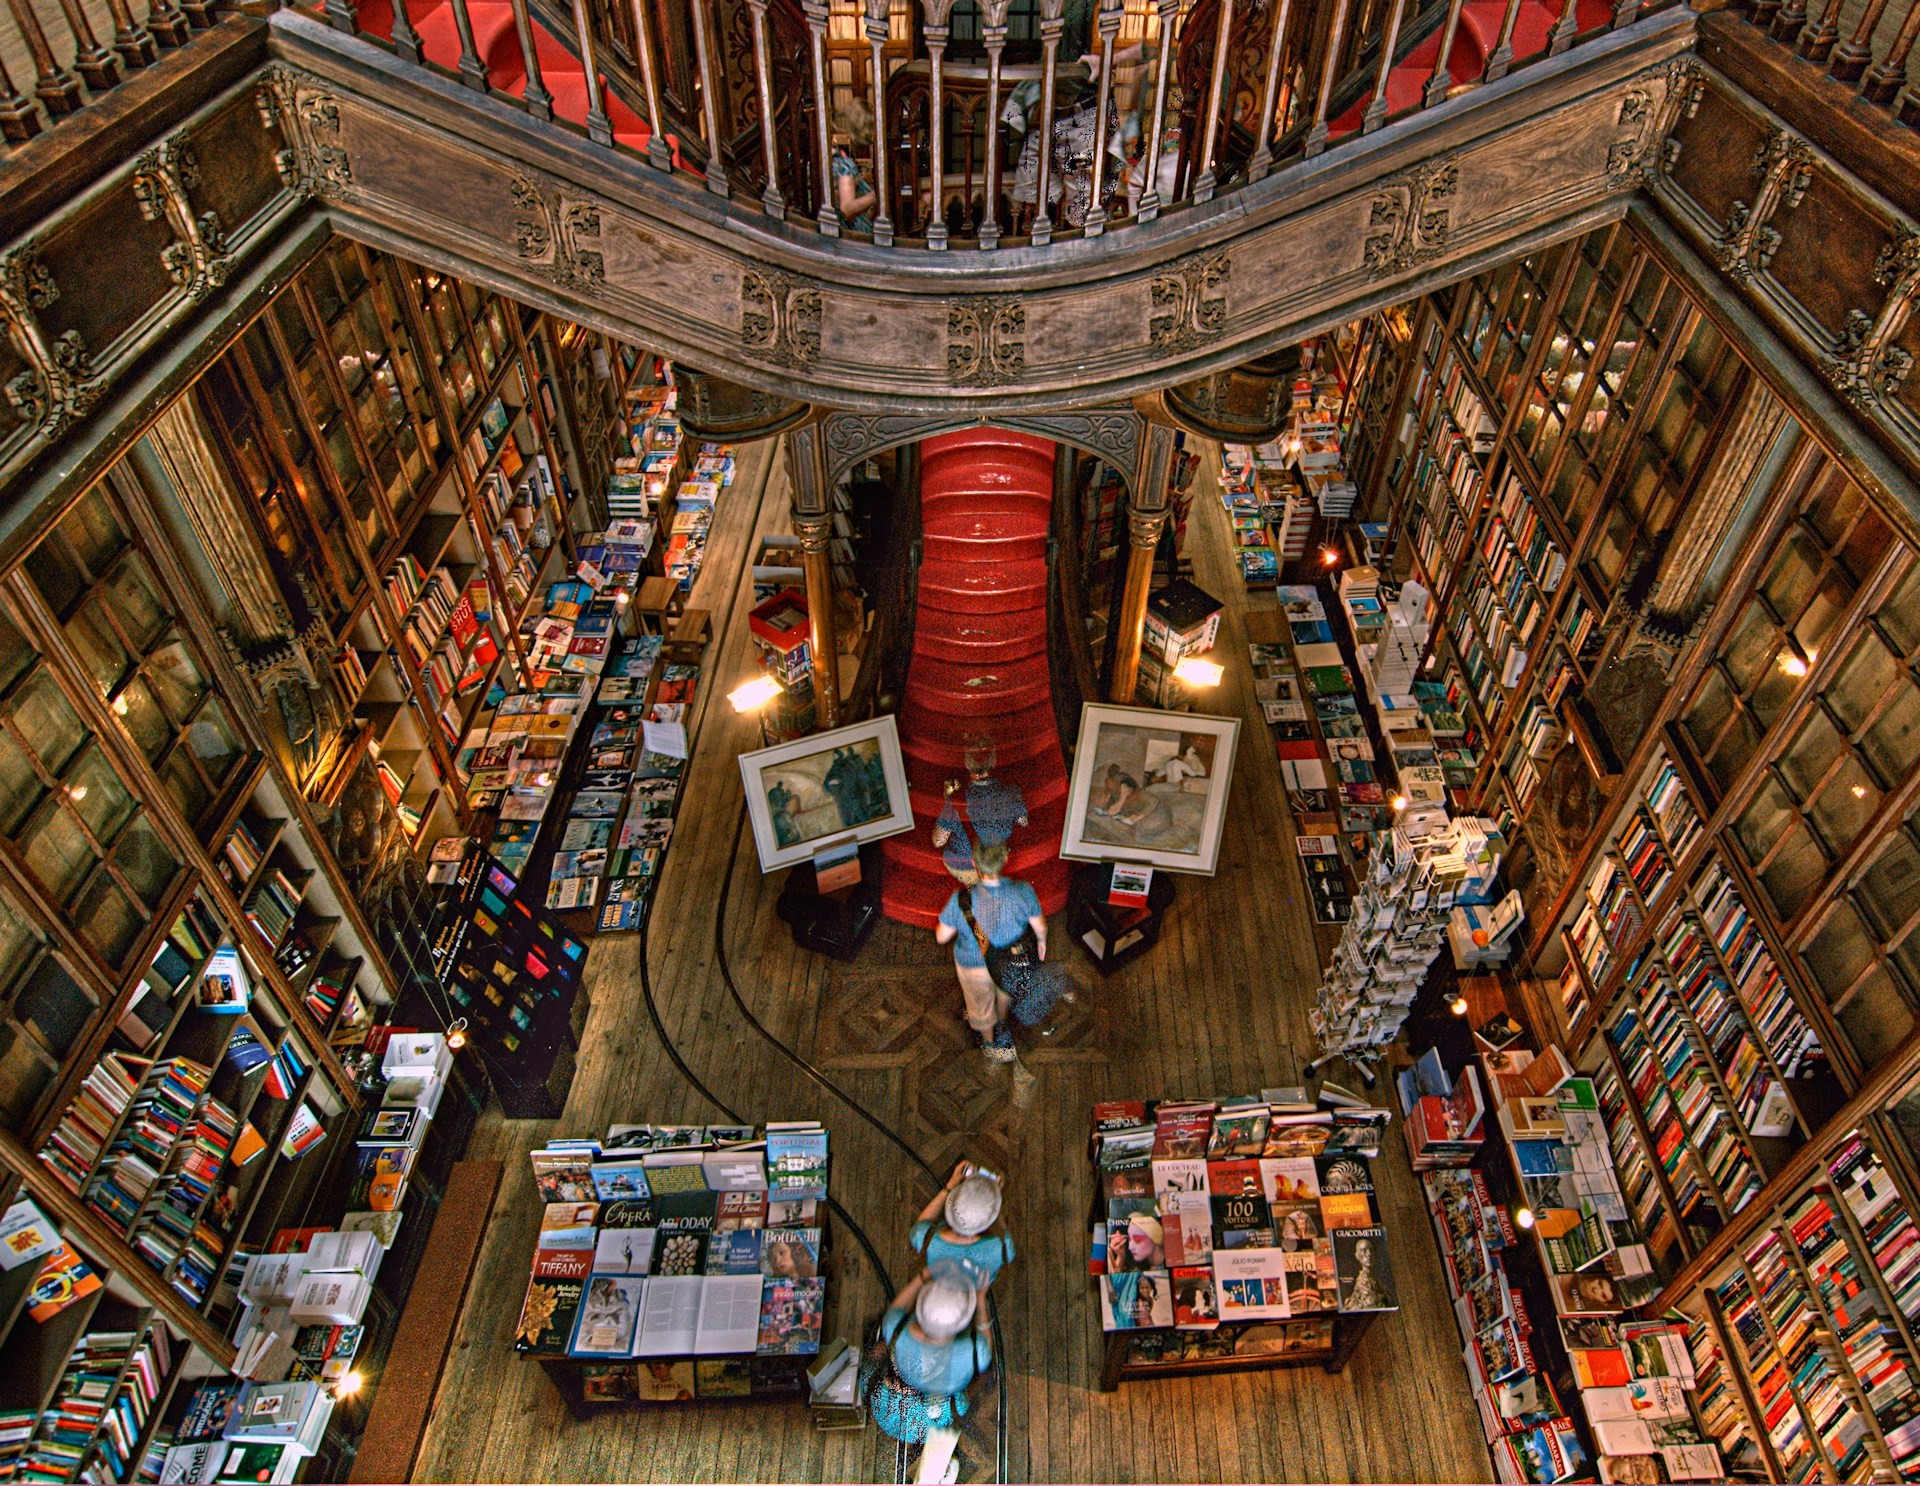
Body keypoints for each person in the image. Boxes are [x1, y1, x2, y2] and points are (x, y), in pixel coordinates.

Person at [934, 839, 1045, 1063]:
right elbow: (1040, 926)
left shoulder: (961, 900)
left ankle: (989, 1041)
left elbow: (941, 936)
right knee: (1004, 992)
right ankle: (1002, 1022)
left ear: (974, 863)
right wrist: (1041, 943)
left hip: (974, 965)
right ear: (1005, 859)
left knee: (980, 1005)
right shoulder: (1023, 891)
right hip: (1010, 960)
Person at [863, 1265, 994, 1445]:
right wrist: (980, 1299)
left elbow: (896, 1310)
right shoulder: (966, 1355)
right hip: (931, 1426)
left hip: (887, 1417)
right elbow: (984, 1344)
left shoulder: (895, 1325)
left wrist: (924, 1275)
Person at [932, 737, 1028, 882]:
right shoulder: (1011, 792)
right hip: (996, 860)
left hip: (964, 863)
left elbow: (938, 841)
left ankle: (974, 889)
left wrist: (948, 800)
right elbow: (1023, 821)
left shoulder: (957, 800)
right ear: (994, 762)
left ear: (966, 763)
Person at [910, 1161, 1016, 1291]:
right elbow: (1002, 1232)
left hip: (941, 1281)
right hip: (977, 1285)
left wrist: (950, 1186)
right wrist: (994, 1197)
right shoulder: (1004, 1246)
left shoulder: (923, 1236)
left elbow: (920, 1225)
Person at [830, 101, 877, 233]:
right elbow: (847, 209)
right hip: (853, 236)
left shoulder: (835, 156)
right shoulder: (844, 164)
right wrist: (877, 195)